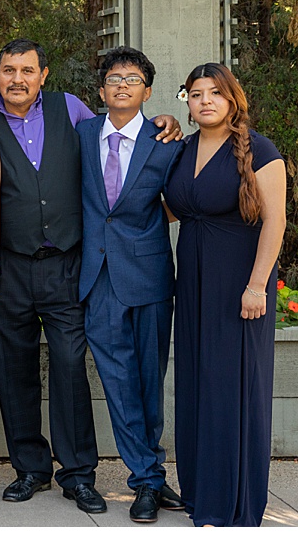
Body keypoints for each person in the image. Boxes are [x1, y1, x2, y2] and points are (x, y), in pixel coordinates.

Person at [0, 38, 179, 513]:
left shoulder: (69, 108)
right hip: (8, 265)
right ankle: (29, 468)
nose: (18, 79)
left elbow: (117, 134)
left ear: (43, 75)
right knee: (14, 369)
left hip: (66, 264)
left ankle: (77, 473)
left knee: (70, 367)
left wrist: (162, 124)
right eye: (8, 70)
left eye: (28, 70)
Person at [164, 63, 286, 527]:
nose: (206, 101)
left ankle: (233, 501)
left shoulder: (259, 149)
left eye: (216, 92)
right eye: (196, 94)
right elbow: (173, 211)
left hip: (240, 283)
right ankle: (201, 493)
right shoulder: (183, 149)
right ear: (188, 104)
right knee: (198, 384)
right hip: (193, 280)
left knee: (232, 387)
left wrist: (257, 286)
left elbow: (275, 221)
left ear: (233, 98)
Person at [76, 47, 186, 523]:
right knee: (118, 384)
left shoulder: (168, 144)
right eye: (114, 78)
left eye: (133, 78)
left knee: (148, 379)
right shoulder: (79, 135)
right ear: (101, 91)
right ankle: (145, 480)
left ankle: (151, 474)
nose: (122, 85)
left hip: (149, 277)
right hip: (97, 278)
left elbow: (182, 204)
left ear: (146, 90)